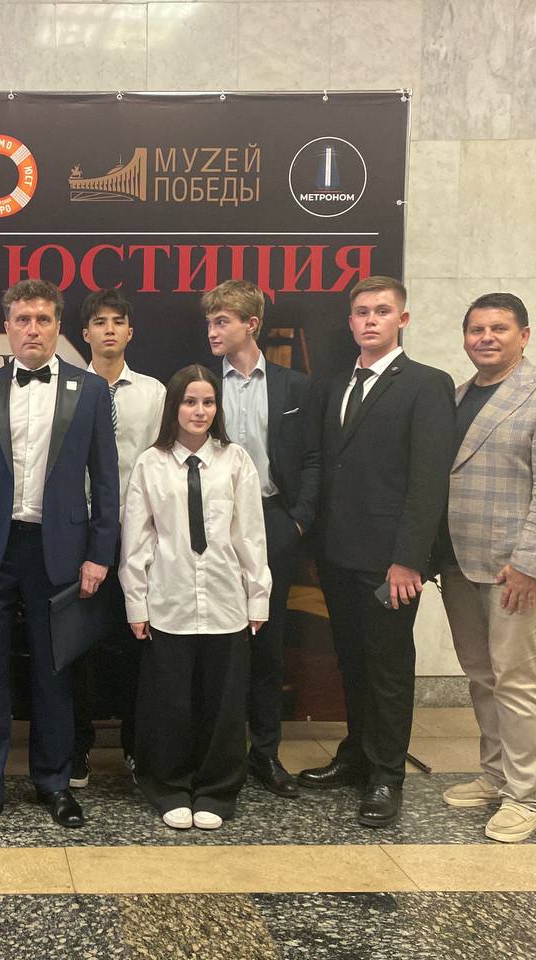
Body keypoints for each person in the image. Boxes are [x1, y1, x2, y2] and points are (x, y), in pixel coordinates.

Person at [0, 278, 119, 839]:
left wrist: (100, 553)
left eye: (43, 319)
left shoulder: (91, 391)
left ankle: (55, 783)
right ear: (7, 327)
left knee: (54, 672)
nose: (33, 329)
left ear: (58, 327)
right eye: (22, 319)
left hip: (61, 551)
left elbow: (106, 481)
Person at [298, 276, 456, 828]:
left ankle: (387, 774)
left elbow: (428, 480)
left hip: (393, 563)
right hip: (339, 554)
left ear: (402, 320)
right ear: (350, 323)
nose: (370, 320)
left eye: (382, 311)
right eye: (362, 312)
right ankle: (356, 756)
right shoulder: (335, 385)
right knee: (352, 660)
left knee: (388, 667)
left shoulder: (427, 384)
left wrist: (409, 557)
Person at [438, 293, 536, 843]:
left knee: (518, 680)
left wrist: (529, 564)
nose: (486, 338)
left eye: (499, 328)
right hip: (458, 561)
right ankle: (495, 775)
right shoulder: (457, 397)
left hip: (513, 569)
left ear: (524, 335)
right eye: (476, 329)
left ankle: (525, 796)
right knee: (482, 676)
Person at [121, 365, 270, 829]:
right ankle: (169, 786)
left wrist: (258, 597)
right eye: (190, 401)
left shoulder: (235, 460)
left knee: (223, 703)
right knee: (170, 702)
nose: (199, 411)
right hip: (169, 600)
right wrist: (136, 602)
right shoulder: (151, 463)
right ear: (174, 407)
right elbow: (137, 540)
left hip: (225, 600)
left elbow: (250, 535)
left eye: (208, 402)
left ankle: (216, 789)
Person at [205, 279, 321, 798]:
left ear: (251, 324)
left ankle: (266, 753)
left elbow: (314, 458)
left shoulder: (295, 386)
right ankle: (218, 752)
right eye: (210, 322)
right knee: (217, 643)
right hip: (212, 524)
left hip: (274, 519)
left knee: (267, 643)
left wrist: (298, 521)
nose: (213, 331)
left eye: (222, 321)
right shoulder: (200, 382)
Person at [70, 289, 165, 787]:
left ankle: (136, 745)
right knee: (79, 646)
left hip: (138, 532)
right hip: (79, 532)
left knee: (138, 644)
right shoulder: (67, 388)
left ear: (130, 331)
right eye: (99, 321)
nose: (109, 329)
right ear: (84, 332)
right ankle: (77, 748)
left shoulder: (154, 393)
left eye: (117, 321)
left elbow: (162, 462)